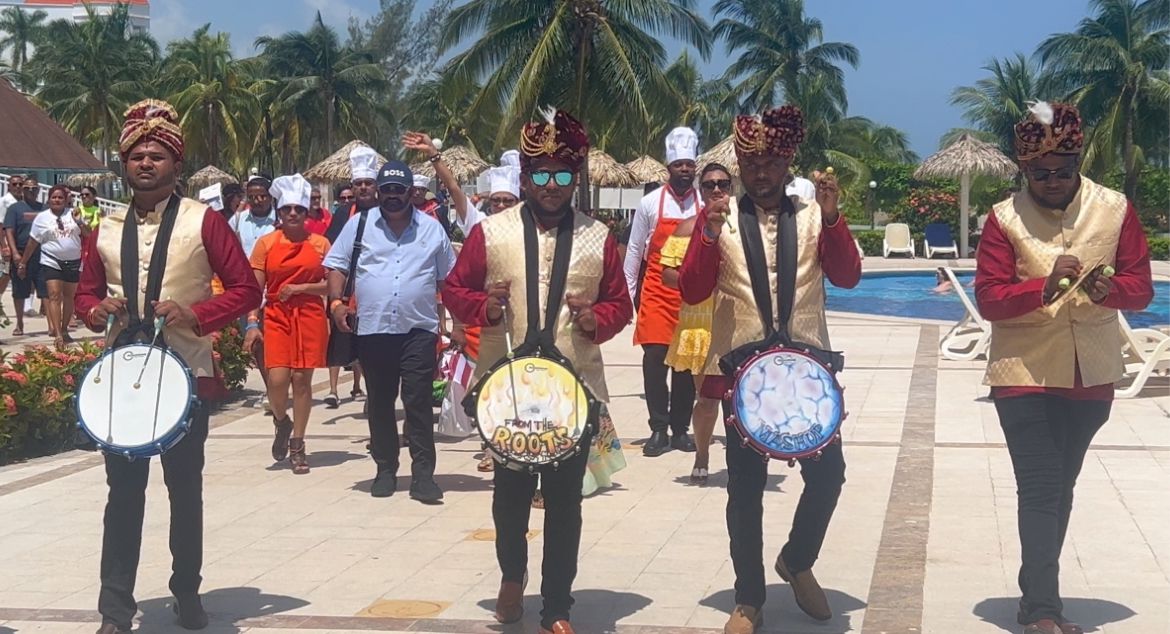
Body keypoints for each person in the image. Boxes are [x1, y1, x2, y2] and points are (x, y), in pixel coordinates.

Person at [442, 107, 633, 634]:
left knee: (567, 502)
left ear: (577, 177)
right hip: (507, 388)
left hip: (574, 389)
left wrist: (599, 319)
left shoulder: (600, 237)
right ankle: (511, 576)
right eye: (541, 175)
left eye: (563, 175)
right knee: (510, 495)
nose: (552, 186)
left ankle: (558, 605)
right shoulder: (491, 232)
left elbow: (621, 303)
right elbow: (454, 290)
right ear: (525, 177)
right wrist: (487, 308)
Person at [74, 99, 261, 634]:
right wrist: (92, 310)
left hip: (186, 375)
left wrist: (196, 312)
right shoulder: (105, 226)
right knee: (123, 495)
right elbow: (85, 293)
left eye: (157, 155)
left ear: (177, 165)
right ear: (124, 163)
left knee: (185, 492)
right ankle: (114, 609)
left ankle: (187, 592)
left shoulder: (206, 222)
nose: (146, 163)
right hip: (122, 376)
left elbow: (248, 288)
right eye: (136, 155)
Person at [679, 105, 861, 634]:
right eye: (752, 160)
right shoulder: (716, 219)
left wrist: (832, 217)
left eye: (774, 160)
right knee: (744, 490)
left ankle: (798, 559)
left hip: (807, 376)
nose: (762, 170)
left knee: (829, 475)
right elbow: (691, 290)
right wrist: (707, 236)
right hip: (744, 379)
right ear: (738, 160)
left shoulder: (810, 215)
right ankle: (749, 598)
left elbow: (848, 277)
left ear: (788, 162)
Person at [974, 101, 1153, 634]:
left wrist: (1110, 288)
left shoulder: (1115, 208)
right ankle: (1044, 611)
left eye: (1062, 171)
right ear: (1023, 170)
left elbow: (1141, 289)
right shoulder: (1003, 218)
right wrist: (1042, 286)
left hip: (1090, 373)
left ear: (1078, 163)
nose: (1051, 181)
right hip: (1022, 371)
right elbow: (989, 298)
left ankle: (1036, 598)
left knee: (1062, 485)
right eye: (1039, 173)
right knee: (1041, 484)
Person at [325, 158, 454, 503]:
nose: (393, 196)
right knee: (380, 403)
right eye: (387, 190)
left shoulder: (431, 228)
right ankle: (385, 470)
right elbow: (336, 265)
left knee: (418, 402)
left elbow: (447, 279)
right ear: (378, 192)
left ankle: (423, 476)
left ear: (412, 192)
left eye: (400, 190)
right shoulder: (359, 225)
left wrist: (460, 321)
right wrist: (336, 304)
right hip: (374, 329)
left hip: (418, 330)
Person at [243, 174, 331, 475]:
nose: (293, 214)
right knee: (278, 380)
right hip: (277, 316)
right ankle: (282, 421)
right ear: (278, 213)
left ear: (307, 213)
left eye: (299, 209)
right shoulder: (265, 244)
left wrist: (301, 289)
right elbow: (255, 290)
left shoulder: (320, 244)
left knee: (302, 381)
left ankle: (298, 444)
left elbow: (332, 285)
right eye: (287, 209)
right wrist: (252, 323)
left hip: (309, 315)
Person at [623, 127, 702, 457]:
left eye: (688, 164)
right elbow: (633, 252)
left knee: (685, 365)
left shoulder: (704, 203)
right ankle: (658, 427)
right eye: (678, 165)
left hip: (692, 296)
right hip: (656, 291)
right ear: (668, 168)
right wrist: (628, 300)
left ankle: (681, 429)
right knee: (654, 360)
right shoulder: (649, 204)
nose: (684, 169)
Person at [660, 163, 733, 484]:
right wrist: (701, 280)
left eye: (723, 184)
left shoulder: (744, 227)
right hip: (700, 319)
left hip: (735, 317)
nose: (717, 190)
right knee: (706, 399)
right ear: (700, 191)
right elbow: (667, 273)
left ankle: (740, 456)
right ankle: (702, 452)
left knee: (740, 397)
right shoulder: (687, 227)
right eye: (709, 185)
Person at [17, 184, 88, 348]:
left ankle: (64, 330)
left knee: (69, 297)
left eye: (60, 197)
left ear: (65, 200)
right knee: (54, 295)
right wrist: (23, 262)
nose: (57, 200)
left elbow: (87, 234)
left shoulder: (74, 214)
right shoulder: (42, 218)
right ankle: (57, 333)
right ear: (49, 199)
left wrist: (80, 223)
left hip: (73, 261)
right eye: (54, 197)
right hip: (51, 260)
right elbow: (33, 241)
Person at [230, 174, 278, 408]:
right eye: (252, 197)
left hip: (274, 290)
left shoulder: (278, 221)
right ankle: (272, 389)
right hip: (247, 291)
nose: (258, 201)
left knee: (274, 343)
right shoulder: (238, 220)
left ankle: (278, 389)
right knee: (257, 343)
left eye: (262, 196)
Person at [4, 174, 46, 335]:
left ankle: (52, 325)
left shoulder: (44, 209)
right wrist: (14, 252)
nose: (31, 191)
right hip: (21, 253)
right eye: (27, 188)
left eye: (34, 188)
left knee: (46, 291)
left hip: (42, 255)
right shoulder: (14, 209)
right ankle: (19, 323)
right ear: (22, 189)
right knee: (20, 290)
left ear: (38, 190)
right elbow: (9, 230)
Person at [456, 149, 522, 236]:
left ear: (517, 203)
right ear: (490, 201)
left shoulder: (526, 228)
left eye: (507, 201)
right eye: (496, 200)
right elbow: (453, 189)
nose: (501, 205)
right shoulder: (482, 225)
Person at [0, 174, 25, 314]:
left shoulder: (22, 201)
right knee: (5, 274)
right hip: (7, 244)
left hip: (19, 243)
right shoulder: (4, 202)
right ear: (9, 186)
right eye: (14, 184)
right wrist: (4, 247)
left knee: (10, 274)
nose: (18, 187)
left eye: (20, 184)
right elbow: (0, 225)